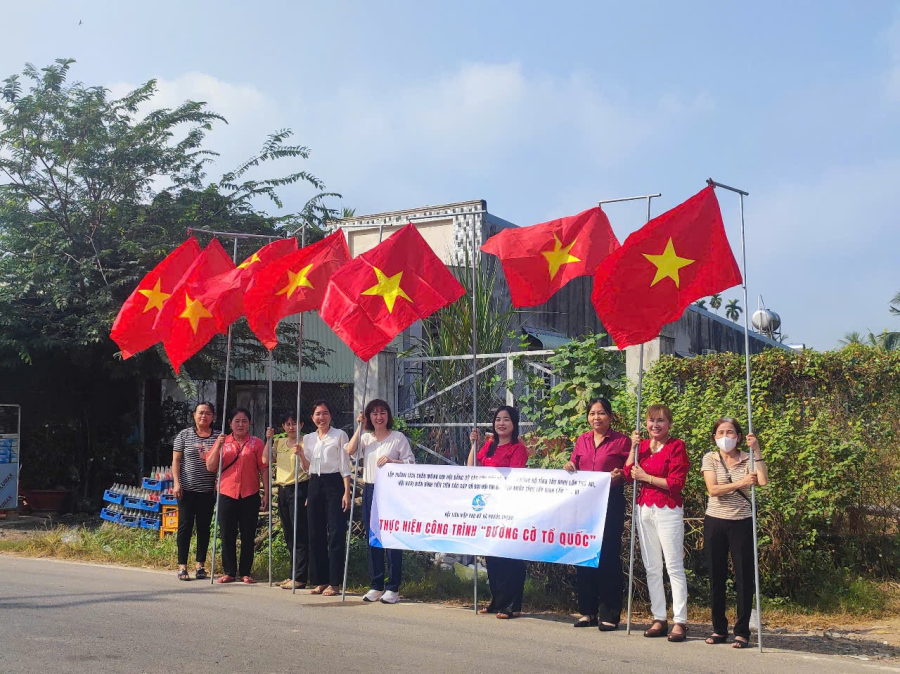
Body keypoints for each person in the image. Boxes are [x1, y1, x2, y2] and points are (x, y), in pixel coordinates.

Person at [624, 404, 690, 642]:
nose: (655, 425)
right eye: (652, 421)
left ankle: (680, 620)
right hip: (644, 508)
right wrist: (632, 448)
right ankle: (659, 617)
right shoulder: (641, 447)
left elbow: (676, 482)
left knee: (673, 566)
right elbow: (627, 471)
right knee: (652, 567)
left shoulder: (676, 446)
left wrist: (647, 478)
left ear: (669, 424)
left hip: (668, 509)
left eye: (661, 420)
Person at [563, 398, 630, 631]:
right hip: (585, 503)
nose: (597, 418)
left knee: (608, 556)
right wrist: (570, 466)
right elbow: (574, 463)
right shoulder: (582, 440)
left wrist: (620, 473)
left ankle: (609, 613)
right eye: (592, 414)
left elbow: (629, 472)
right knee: (584, 553)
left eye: (601, 413)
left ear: (610, 416)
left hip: (610, 502)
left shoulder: (622, 441)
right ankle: (587, 611)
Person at [702, 417, 768, 649]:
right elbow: (713, 490)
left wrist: (756, 450)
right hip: (715, 522)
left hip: (741, 522)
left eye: (730, 432)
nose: (725, 437)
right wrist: (740, 483)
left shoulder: (749, 459)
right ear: (714, 437)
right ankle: (719, 628)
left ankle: (742, 631)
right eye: (720, 432)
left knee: (744, 577)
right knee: (716, 576)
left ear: (739, 437)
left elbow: (762, 480)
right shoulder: (710, 458)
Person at [345, 399, 415, 604]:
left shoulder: (398, 438)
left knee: (392, 537)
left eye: (382, 412)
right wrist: (359, 426)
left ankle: (393, 587)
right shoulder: (366, 439)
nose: (379, 417)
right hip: (370, 489)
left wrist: (393, 462)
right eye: (374, 413)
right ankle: (376, 584)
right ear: (368, 417)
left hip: (391, 492)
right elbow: (350, 451)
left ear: (388, 415)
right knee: (373, 536)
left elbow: (411, 462)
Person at [468, 405, 529, 619]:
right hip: (488, 507)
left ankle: (512, 603)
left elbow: (515, 478)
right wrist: (473, 445)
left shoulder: (517, 448)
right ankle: (496, 600)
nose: (501, 423)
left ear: (514, 424)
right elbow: (471, 467)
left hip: (509, 506)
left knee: (510, 556)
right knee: (492, 555)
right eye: (497, 419)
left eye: (506, 419)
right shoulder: (489, 445)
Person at [204, 407, 269, 585]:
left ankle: (246, 571)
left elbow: (263, 468)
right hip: (227, 492)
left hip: (250, 493)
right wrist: (218, 444)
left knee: (248, 534)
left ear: (250, 423)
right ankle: (229, 571)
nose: (240, 424)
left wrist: (267, 493)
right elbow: (210, 466)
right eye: (237, 421)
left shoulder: (256, 443)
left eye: (244, 421)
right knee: (227, 534)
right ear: (230, 423)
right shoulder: (223, 442)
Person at [296, 400, 351, 596]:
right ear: (312, 418)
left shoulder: (339, 435)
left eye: (325, 413)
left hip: (334, 483)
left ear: (330, 416)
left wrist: (346, 491)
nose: (322, 417)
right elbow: (307, 467)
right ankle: (320, 580)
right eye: (318, 414)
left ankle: (334, 582)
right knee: (315, 534)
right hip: (314, 484)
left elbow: (345, 466)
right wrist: (301, 454)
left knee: (335, 533)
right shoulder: (309, 438)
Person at [172, 401, 218, 581]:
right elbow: (176, 461)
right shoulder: (184, 435)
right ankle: (182, 565)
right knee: (184, 527)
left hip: (207, 491)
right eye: (200, 413)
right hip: (186, 489)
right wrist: (176, 483)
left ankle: (200, 565)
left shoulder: (218, 436)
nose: (203, 416)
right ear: (194, 415)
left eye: (207, 413)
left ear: (213, 417)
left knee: (204, 528)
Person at [266, 411, 309, 590]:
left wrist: (301, 453)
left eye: (294, 423)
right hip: (283, 490)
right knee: (289, 534)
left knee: (299, 534)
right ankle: (293, 573)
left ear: (301, 425)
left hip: (299, 487)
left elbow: (309, 467)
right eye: (288, 424)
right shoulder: (279, 442)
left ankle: (300, 577)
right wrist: (268, 439)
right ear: (283, 427)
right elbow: (266, 459)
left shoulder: (307, 442)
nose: (291, 427)